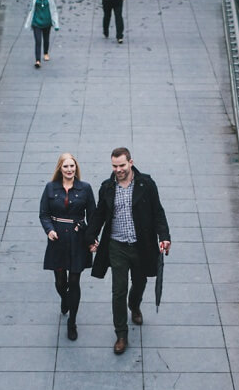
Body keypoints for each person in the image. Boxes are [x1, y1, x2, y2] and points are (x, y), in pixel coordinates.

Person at [87, 148, 170, 355]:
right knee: (118, 290)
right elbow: (99, 214)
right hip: (117, 246)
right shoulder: (107, 187)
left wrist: (164, 237)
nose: (118, 170)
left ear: (131, 162)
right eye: (114, 166)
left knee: (140, 283)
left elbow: (158, 212)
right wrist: (90, 237)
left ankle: (135, 305)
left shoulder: (146, 184)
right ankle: (121, 334)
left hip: (141, 245)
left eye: (122, 165)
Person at [39, 153, 95, 341]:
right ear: (60, 169)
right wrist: (49, 230)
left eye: (72, 166)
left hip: (78, 238)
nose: (69, 170)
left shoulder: (85, 188)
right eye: (66, 167)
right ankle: (65, 298)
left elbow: (93, 216)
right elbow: (44, 214)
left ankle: (72, 322)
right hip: (57, 239)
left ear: (76, 168)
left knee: (74, 281)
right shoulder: (50, 188)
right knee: (60, 282)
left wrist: (92, 239)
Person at [23, 0, 60, 69]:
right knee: (38, 41)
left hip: (47, 22)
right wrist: (28, 22)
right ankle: (38, 60)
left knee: (46, 39)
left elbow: (54, 10)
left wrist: (56, 24)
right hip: (36, 23)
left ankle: (46, 52)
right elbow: (31, 10)